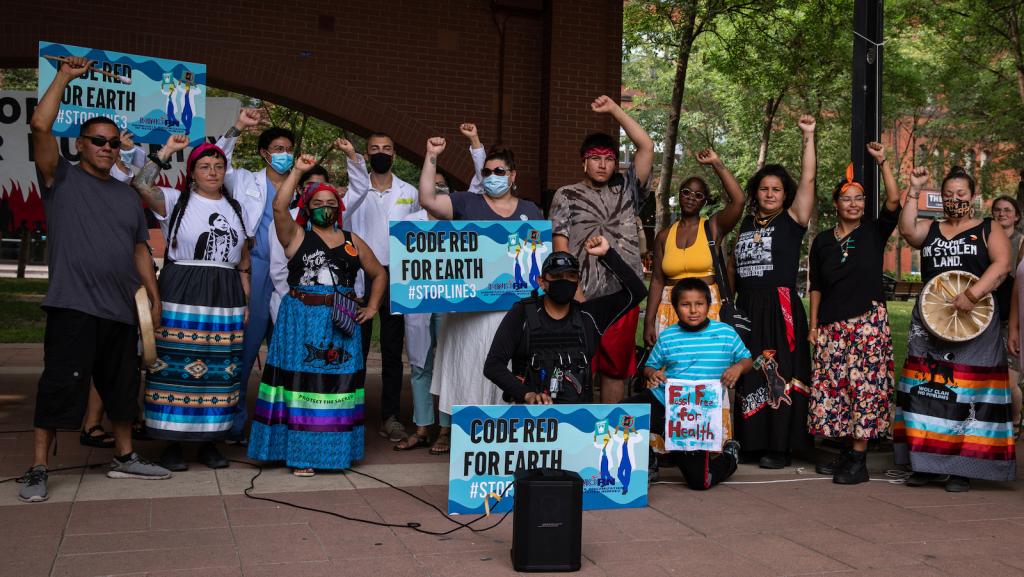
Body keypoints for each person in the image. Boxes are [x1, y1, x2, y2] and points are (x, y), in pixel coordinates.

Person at [20, 56, 172, 502]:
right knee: (59, 386)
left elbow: (140, 249)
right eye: (98, 141)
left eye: (112, 143)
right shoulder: (59, 179)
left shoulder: (128, 197)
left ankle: (124, 458)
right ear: (81, 145)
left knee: (122, 390)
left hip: (121, 309)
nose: (107, 148)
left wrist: (153, 299)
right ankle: (38, 467)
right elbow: (40, 127)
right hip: (73, 305)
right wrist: (65, 76)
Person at [247, 154, 386, 475]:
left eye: (331, 202)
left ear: (339, 207)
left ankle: (335, 453)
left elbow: (379, 274)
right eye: (318, 202)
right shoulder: (296, 237)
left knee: (338, 383)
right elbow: (279, 208)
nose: (326, 207)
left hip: (343, 320)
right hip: (301, 319)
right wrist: (296, 171)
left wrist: (373, 307)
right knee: (302, 383)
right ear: (307, 207)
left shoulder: (353, 241)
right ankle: (301, 456)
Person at [130, 134, 255, 470]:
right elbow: (141, 184)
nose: (212, 172)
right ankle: (171, 442)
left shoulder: (237, 208)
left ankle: (210, 442)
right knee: (173, 366)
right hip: (182, 286)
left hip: (226, 290)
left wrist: (245, 300)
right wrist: (167, 151)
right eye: (204, 166)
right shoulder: (175, 200)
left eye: (218, 166)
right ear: (193, 172)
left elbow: (243, 259)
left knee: (221, 369)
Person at [418, 136, 543, 454]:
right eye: (486, 172)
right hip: (469, 315)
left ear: (513, 175)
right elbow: (428, 199)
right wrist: (432, 156)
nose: (492, 177)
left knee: (508, 373)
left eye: (499, 171)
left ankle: (502, 441)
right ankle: (466, 440)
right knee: (470, 372)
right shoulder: (465, 202)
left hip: (513, 313)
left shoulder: (531, 211)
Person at [898, 166, 1014, 492]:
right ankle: (926, 465)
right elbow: (907, 231)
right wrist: (913, 188)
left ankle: (962, 467)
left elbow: (1002, 266)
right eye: (948, 195)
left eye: (960, 194)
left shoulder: (989, 229)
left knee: (968, 393)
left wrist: (973, 294)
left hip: (975, 324)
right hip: (931, 323)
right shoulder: (931, 228)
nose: (954, 200)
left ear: (972, 197)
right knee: (926, 390)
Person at [550, 95, 655, 404]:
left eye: (609, 158)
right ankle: (577, 439)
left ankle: (606, 435)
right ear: (584, 161)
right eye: (595, 158)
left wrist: (614, 110)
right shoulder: (566, 194)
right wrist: (572, 289)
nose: (602, 164)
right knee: (577, 369)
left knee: (615, 370)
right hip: (583, 296)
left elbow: (646, 146)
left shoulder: (627, 189)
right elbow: (560, 246)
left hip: (623, 296)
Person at [807, 142, 901, 484]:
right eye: (847, 198)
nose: (854, 203)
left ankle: (859, 459)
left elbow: (893, 201)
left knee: (866, 388)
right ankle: (847, 450)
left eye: (859, 199)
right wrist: (813, 325)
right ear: (836, 204)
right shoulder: (822, 241)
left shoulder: (874, 232)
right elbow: (816, 284)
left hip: (867, 322)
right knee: (837, 388)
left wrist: (883, 162)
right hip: (831, 324)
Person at [731, 114, 817, 469]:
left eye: (776, 189)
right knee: (749, 370)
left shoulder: (792, 220)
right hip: (747, 305)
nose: (769, 194)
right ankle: (752, 441)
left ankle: (780, 446)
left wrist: (808, 136)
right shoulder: (746, 224)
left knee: (777, 371)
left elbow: (809, 177)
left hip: (779, 304)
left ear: (786, 195)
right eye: (764, 188)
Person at [484, 236, 647, 404]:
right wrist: (527, 394)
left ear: (578, 282)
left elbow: (637, 292)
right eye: (556, 276)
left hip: (579, 419)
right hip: (533, 419)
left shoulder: (588, 316)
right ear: (542, 282)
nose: (564, 281)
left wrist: (607, 254)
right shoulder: (522, 313)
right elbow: (493, 366)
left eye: (571, 276)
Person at [626, 278, 751, 490]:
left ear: (709, 305)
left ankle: (730, 456)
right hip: (664, 401)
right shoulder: (668, 336)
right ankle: (648, 462)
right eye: (685, 305)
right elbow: (649, 366)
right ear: (675, 308)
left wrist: (737, 368)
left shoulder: (726, 334)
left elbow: (747, 359)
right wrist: (653, 373)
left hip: (696, 416)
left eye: (699, 304)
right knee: (622, 416)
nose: (693, 310)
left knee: (700, 482)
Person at [214, 109, 290, 444]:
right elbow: (218, 160)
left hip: (289, 271)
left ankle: (277, 426)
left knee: (284, 350)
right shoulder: (245, 180)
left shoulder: (297, 185)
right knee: (245, 349)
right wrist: (239, 126)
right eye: (278, 148)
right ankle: (233, 424)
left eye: (288, 148)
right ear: (264, 153)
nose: (284, 154)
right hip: (254, 268)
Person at [344, 133, 420, 443]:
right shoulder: (352, 192)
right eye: (375, 149)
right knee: (355, 351)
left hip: (396, 278)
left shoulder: (410, 192)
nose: (381, 153)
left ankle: (389, 416)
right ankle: (351, 414)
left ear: (395, 153)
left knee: (391, 352)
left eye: (386, 149)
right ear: (366, 153)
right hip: (360, 276)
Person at [644, 149, 745, 344]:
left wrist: (717, 163)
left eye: (698, 195)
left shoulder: (713, 227)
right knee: (670, 371)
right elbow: (657, 281)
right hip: (669, 309)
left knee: (707, 367)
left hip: (707, 309)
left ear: (704, 202)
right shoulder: (664, 236)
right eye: (686, 192)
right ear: (680, 195)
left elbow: (739, 201)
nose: (691, 197)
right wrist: (648, 322)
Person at [992, 195, 1024, 436]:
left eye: (1007, 210)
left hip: (1012, 314)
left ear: (1016, 216)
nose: (1002, 213)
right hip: (989, 313)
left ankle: (1014, 419)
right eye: (997, 210)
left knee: (1010, 380)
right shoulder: (986, 237)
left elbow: (1016, 284)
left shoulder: (1020, 241)